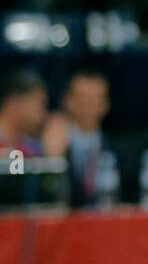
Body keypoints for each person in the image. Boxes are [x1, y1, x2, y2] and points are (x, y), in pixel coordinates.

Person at [41, 70, 115, 209]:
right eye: (82, 99)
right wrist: (53, 158)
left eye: (95, 99)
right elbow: (45, 194)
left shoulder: (118, 150)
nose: (88, 106)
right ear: (67, 101)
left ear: (105, 105)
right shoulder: (52, 141)